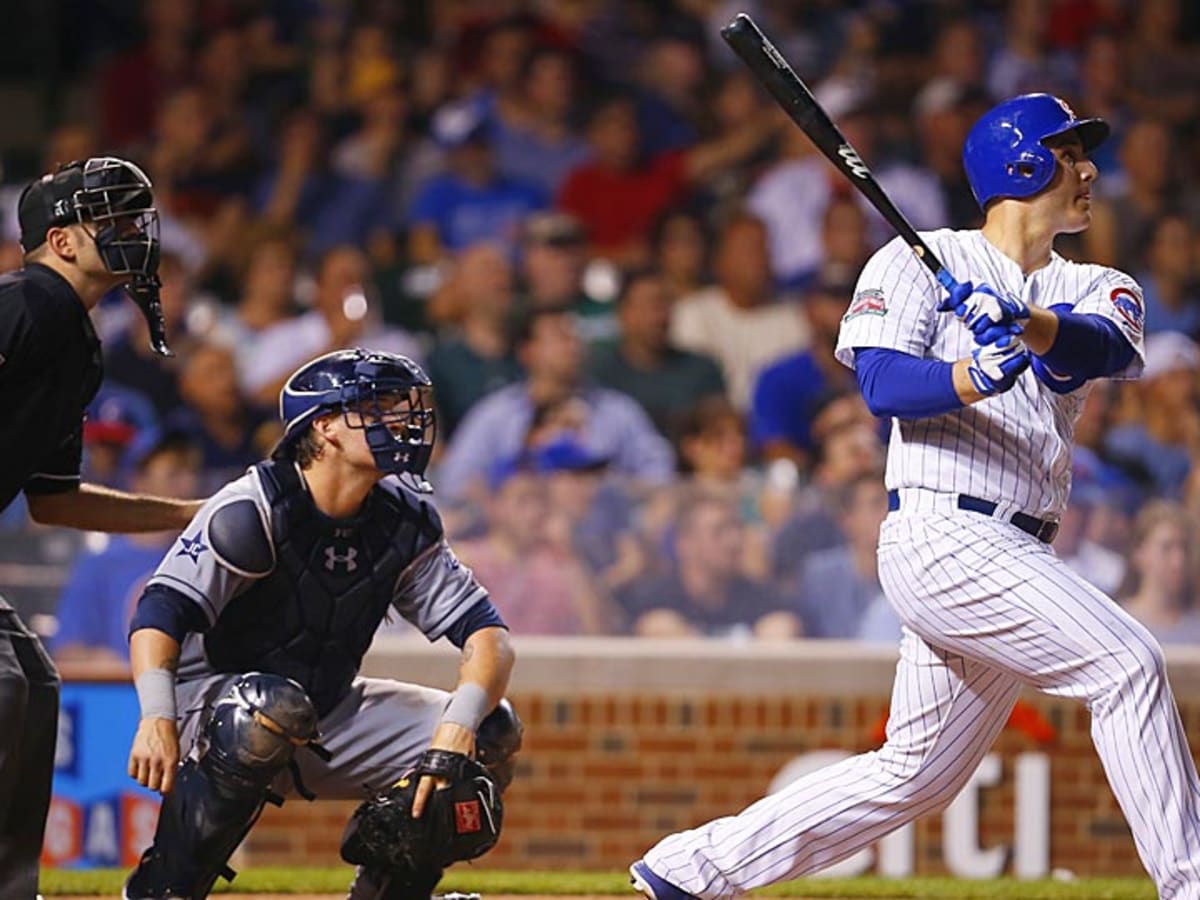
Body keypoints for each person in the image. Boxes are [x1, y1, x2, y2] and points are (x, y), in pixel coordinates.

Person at [629, 93, 1200, 900]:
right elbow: (882, 381)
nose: (1088, 170)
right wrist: (972, 371)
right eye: (1070, 153)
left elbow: (1093, 350)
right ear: (1023, 162)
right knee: (1128, 664)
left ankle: (690, 869)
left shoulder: (1097, 280)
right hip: (943, 533)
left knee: (914, 775)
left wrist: (1025, 324)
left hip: (1018, 546)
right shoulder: (916, 256)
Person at [122, 348, 522, 900]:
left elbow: (490, 639)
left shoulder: (404, 520)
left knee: (490, 727)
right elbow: (158, 613)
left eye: (399, 406)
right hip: (208, 705)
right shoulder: (253, 506)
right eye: (377, 406)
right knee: (269, 707)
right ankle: (162, 892)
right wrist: (156, 714)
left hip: (320, 706)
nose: (401, 420)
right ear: (326, 426)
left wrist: (457, 729)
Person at [0, 156, 202, 900]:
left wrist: (185, 514)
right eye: (108, 221)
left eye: (131, 219)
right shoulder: (23, 303)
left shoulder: (78, 347)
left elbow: (54, 500)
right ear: (60, 242)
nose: (129, 234)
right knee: (4, 688)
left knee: (34, 685)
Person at [50, 433, 202, 664]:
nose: (187, 484)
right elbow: (67, 650)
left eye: (191, 472)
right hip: (122, 693)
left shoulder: (204, 556)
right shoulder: (101, 564)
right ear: (139, 481)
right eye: (174, 474)